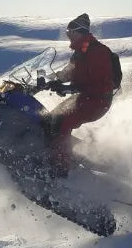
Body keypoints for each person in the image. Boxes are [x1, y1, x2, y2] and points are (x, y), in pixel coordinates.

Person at [43, 13, 115, 177]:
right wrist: (51, 81)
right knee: (50, 118)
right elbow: (69, 72)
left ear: (79, 32)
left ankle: (60, 171)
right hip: (84, 97)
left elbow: (98, 83)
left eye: (70, 32)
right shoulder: (80, 51)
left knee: (61, 123)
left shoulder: (97, 52)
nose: (68, 36)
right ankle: (70, 152)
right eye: (67, 33)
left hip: (98, 101)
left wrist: (70, 89)